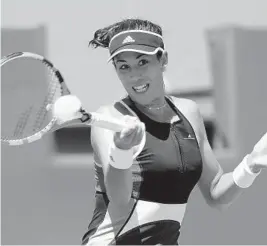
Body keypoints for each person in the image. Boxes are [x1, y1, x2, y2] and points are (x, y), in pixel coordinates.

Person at [81, 18, 267, 245]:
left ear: (163, 59)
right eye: (123, 67)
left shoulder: (189, 112)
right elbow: (119, 200)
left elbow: (217, 194)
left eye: (142, 62)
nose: (134, 75)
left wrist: (252, 164)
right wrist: (121, 150)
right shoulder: (111, 117)